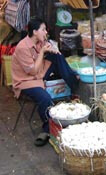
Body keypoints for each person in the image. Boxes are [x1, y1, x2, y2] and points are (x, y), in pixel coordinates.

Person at [11, 18, 78, 146]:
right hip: (26, 81)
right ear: (35, 31)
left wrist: (53, 49)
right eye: (43, 29)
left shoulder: (40, 41)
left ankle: (74, 85)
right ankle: (47, 129)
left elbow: (49, 51)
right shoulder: (22, 48)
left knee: (57, 56)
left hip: (40, 74)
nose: (45, 32)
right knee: (45, 98)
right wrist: (42, 51)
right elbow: (32, 71)